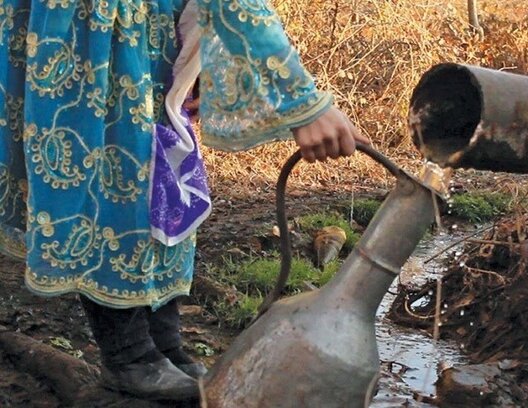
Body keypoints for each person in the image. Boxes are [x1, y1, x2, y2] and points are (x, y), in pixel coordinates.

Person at [0, 0, 369, 400]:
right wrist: (303, 104)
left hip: (145, 30)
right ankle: (129, 353)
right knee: (115, 179)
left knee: (165, 175)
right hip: (92, 33)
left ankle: (164, 341)